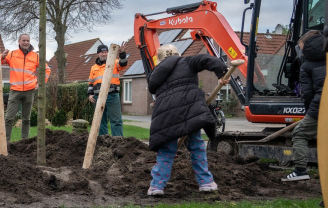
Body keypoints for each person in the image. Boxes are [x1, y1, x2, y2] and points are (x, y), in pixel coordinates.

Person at [147, 44, 228, 196]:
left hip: (166, 115)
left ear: (159, 60)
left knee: (167, 150)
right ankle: (206, 183)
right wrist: (222, 73)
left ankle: (157, 186)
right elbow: (207, 59)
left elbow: (155, 91)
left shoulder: (156, 74)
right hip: (190, 110)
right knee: (197, 146)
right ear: (178, 54)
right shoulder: (187, 62)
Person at [282, 30, 325, 182]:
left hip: (319, 106)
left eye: (301, 48)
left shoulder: (306, 66)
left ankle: (300, 171)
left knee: (299, 133)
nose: (301, 53)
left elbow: (306, 94)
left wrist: (310, 113)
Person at [1, 33, 51, 141]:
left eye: (27, 40)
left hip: (30, 91)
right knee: (9, 118)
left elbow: (47, 69)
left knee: (26, 119)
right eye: (23, 40)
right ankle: (5, 142)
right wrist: (2, 56)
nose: (26, 42)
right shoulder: (12, 54)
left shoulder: (35, 56)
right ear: (19, 42)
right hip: (15, 91)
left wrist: (40, 83)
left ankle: (24, 141)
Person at [87, 44, 128, 136]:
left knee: (116, 120)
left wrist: (122, 54)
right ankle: (103, 141)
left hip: (112, 95)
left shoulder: (114, 62)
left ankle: (117, 142)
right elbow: (90, 83)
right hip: (98, 97)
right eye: (102, 52)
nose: (104, 54)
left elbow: (123, 64)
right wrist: (90, 94)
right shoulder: (93, 68)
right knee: (100, 121)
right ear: (98, 54)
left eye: (106, 52)